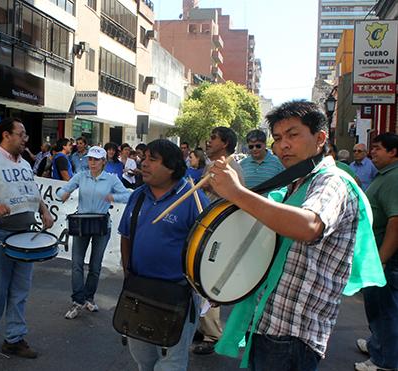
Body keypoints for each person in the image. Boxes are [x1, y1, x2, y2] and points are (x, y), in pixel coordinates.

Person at [211, 101, 381, 371]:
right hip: (270, 323)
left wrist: (238, 193)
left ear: (320, 138)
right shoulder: (297, 182)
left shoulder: (331, 181)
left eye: (293, 135)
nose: (283, 146)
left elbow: (309, 226)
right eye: (277, 138)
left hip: (293, 333)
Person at [118, 139, 209, 370]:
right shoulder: (137, 195)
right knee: (144, 359)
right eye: (144, 157)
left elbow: (208, 251)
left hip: (177, 294)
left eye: (152, 159)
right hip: (140, 291)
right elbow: (126, 235)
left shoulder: (193, 199)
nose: (144, 163)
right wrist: (128, 271)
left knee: (171, 362)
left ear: (171, 167)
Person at [0, 117, 53, 359]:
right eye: (21, 133)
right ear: (6, 135)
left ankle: (14, 338)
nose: (25, 138)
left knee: (20, 290)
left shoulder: (25, 164)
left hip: (25, 237)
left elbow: (33, 193)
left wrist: (44, 210)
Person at [57, 146, 130, 319]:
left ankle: (88, 297)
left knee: (95, 266)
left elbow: (127, 196)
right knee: (76, 263)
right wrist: (64, 194)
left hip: (101, 224)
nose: (92, 163)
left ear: (104, 161)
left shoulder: (111, 179)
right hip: (82, 222)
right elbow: (62, 190)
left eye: (96, 160)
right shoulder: (81, 176)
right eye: (90, 159)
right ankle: (77, 300)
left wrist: (114, 197)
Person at [193, 126, 245, 355]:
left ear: (224, 144)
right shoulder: (213, 165)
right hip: (210, 228)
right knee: (199, 279)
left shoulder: (228, 167)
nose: (208, 141)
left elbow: (233, 199)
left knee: (209, 280)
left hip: (219, 231)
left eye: (213, 138)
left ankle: (212, 334)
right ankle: (203, 325)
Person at [354, 133, 398, 371]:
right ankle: (377, 345)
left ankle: (385, 361)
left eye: (378, 149)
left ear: (393, 152)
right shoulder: (385, 175)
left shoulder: (394, 179)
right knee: (378, 308)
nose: (373, 153)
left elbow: (395, 223)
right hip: (377, 256)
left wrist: (380, 260)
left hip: (385, 261)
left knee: (385, 311)